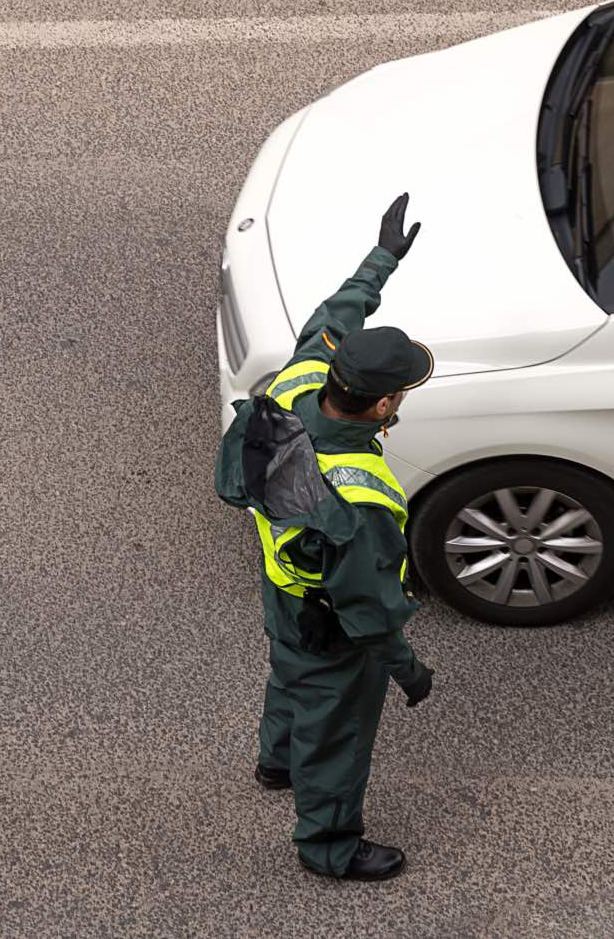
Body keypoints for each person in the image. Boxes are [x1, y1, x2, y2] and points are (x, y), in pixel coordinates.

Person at [214, 193, 436, 882]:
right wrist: (407, 669)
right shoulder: (356, 496)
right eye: (402, 391)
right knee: (336, 729)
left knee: (290, 671)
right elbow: (369, 607)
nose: (403, 399)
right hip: (333, 617)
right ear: (379, 404)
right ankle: (330, 845)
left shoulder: (299, 382)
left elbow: (334, 316)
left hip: (286, 594)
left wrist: (382, 260)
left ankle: (275, 761)